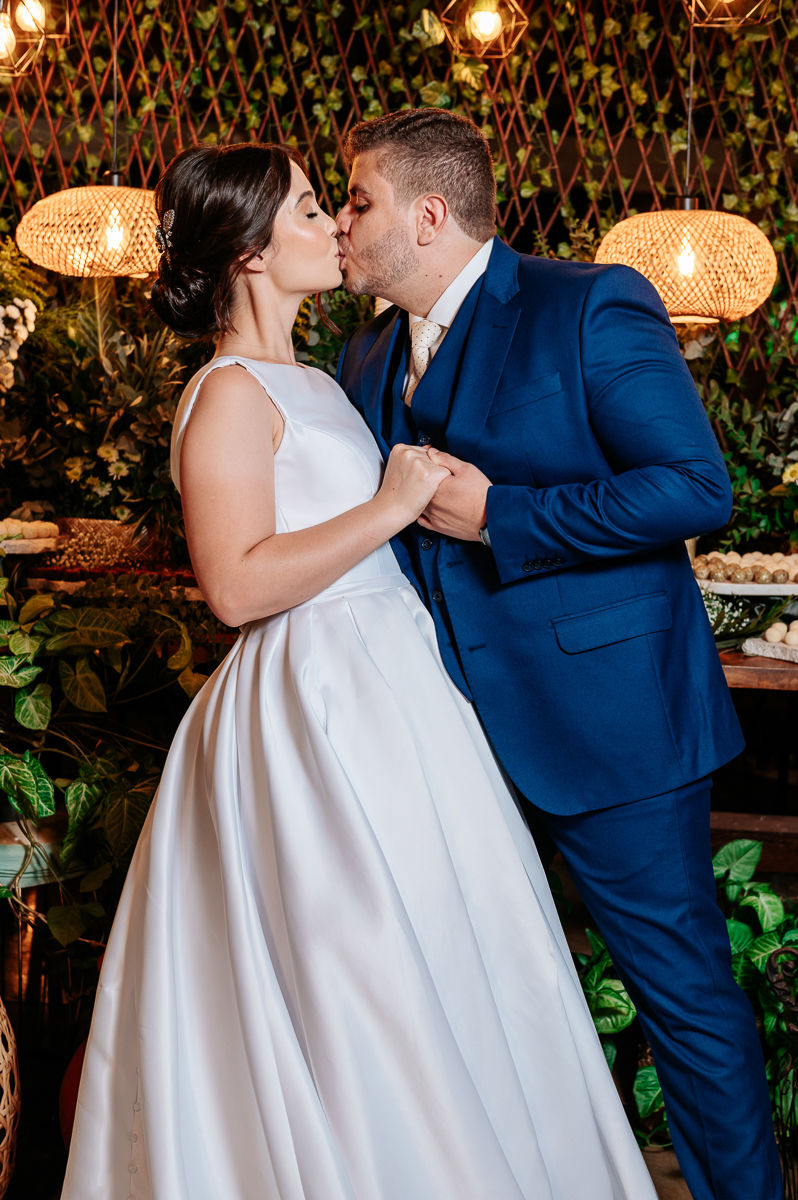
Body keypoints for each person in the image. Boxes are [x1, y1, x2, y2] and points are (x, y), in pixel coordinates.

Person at [60, 140, 657, 1200]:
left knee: (449, 958)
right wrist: (386, 505)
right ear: (248, 252)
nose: (333, 223)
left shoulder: (329, 380)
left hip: (395, 702)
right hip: (313, 718)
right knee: (354, 974)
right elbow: (236, 588)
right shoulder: (230, 393)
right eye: (306, 209)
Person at [334, 107, 781, 1200]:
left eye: (357, 202)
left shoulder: (588, 303)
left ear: (429, 214)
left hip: (609, 720)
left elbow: (692, 488)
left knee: (680, 994)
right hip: (437, 736)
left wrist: (503, 517)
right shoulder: (361, 355)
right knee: (462, 997)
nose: (340, 224)